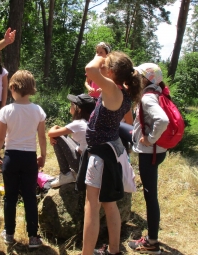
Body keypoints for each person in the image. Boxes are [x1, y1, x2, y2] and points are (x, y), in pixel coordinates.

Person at [81, 52, 142, 255]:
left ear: (112, 71)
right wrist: (105, 60)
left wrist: (100, 55)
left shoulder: (112, 89)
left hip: (100, 155)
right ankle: (114, 250)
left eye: (105, 65)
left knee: (91, 205)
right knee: (109, 204)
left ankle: (86, 253)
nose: (101, 66)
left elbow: (90, 70)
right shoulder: (122, 91)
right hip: (108, 151)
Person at [0, 70, 46, 248]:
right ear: (32, 89)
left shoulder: (6, 110)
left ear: (13, 87)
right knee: (30, 196)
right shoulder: (38, 110)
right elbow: (42, 137)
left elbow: (0, 137)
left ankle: (9, 233)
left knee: (10, 197)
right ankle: (33, 237)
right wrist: (43, 155)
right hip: (29, 157)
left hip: (11, 157)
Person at [128, 63, 169, 254]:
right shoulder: (157, 93)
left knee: (150, 196)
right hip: (156, 151)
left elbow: (163, 120)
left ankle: (151, 242)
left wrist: (150, 139)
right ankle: (152, 239)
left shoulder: (148, 98)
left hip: (150, 153)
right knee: (150, 194)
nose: (136, 78)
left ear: (146, 79)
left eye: (138, 75)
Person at [47, 94, 96, 188]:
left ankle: (65, 173)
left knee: (58, 137)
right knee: (60, 135)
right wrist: (55, 133)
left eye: (73, 104)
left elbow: (51, 133)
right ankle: (68, 174)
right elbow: (58, 132)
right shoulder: (87, 123)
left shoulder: (78, 124)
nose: (70, 104)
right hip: (87, 165)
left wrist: (54, 130)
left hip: (82, 167)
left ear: (79, 109)